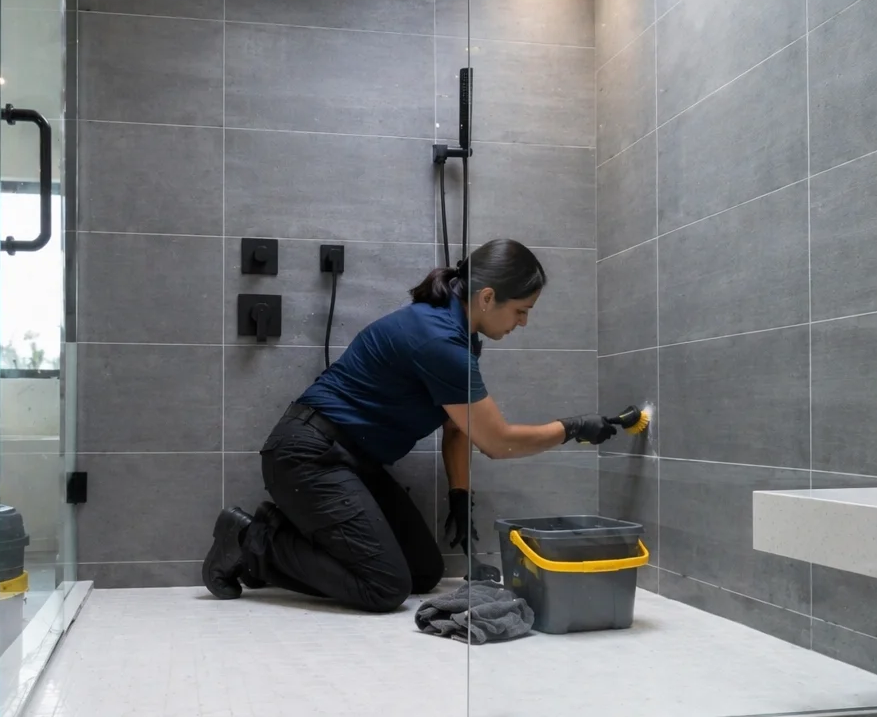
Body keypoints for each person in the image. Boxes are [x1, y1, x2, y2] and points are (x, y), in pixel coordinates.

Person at [202, 238, 627, 613]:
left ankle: (298, 531)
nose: (523, 322)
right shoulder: (440, 340)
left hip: (350, 462)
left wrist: (460, 495)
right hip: (307, 455)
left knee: (424, 572)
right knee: (384, 587)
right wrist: (573, 428)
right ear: (487, 297)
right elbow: (497, 442)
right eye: (521, 311)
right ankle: (249, 543)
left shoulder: (458, 334)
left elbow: (459, 426)